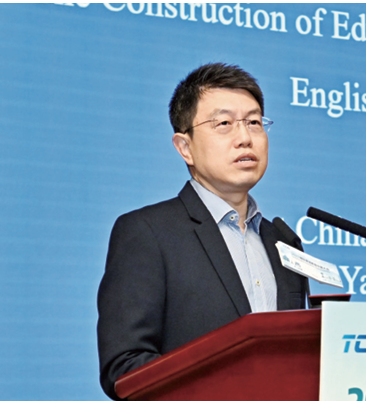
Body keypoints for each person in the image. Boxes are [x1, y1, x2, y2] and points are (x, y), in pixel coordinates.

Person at [96, 63, 308, 400]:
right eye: (224, 124)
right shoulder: (147, 232)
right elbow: (125, 367)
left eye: (254, 122)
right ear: (185, 147)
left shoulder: (283, 242)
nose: (244, 137)